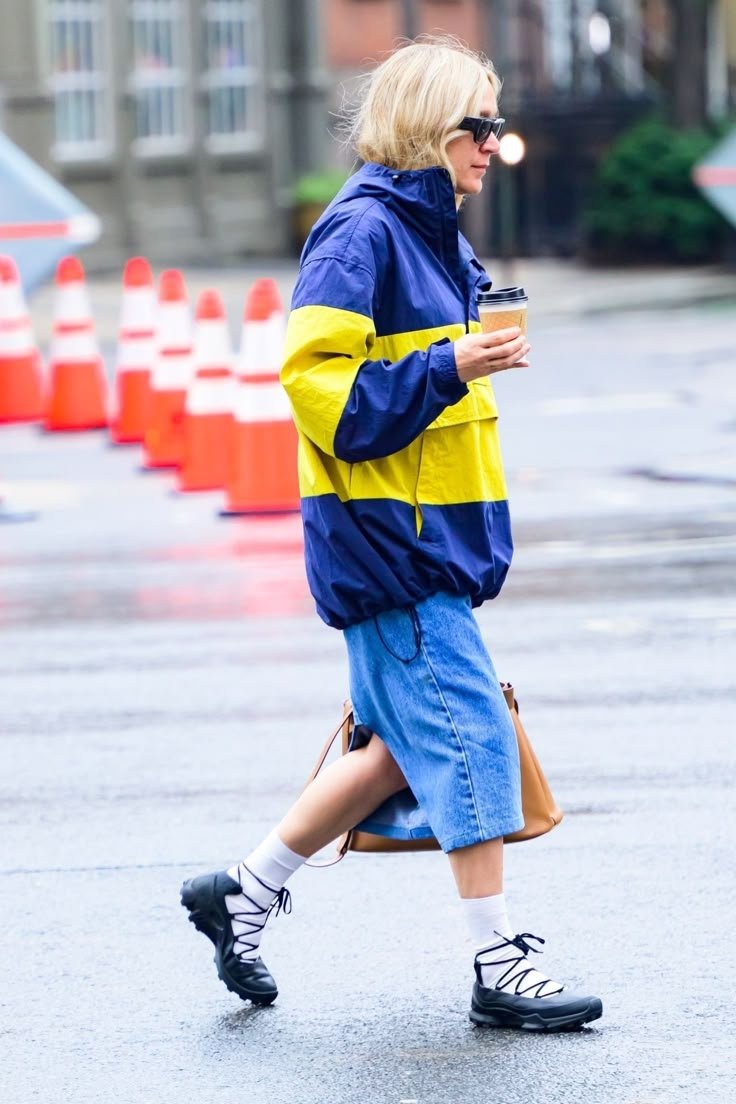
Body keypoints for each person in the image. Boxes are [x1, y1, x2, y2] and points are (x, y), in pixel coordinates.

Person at [181, 36, 602, 1033]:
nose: (492, 148)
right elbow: (323, 399)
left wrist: (464, 360)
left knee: (401, 752)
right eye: (480, 127)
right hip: (392, 546)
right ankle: (499, 961)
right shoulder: (361, 234)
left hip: (417, 542)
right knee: (468, 737)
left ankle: (242, 892)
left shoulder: (431, 234)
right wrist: (451, 365)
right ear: (430, 125)